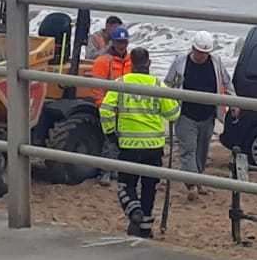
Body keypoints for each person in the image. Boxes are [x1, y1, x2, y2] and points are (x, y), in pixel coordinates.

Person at [98, 46, 180, 237]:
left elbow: (105, 110)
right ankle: (144, 228)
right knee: (149, 188)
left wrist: (110, 134)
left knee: (126, 184)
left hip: (128, 145)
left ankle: (134, 211)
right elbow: (173, 114)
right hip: (154, 146)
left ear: (131, 63)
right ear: (149, 63)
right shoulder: (158, 86)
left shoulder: (121, 83)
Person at [164, 31, 236, 197]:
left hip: (208, 115)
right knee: (188, 150)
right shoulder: (180, 62)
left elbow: (226, 82)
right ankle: (192, 185)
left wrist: (234, 102)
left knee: (201, 151)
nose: (202, 56)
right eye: (199, 52)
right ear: (192, 49)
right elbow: (168, 83)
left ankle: (198, 178)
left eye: (205, 53)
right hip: (185, 114)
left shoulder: (216, 63)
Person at [83, 24, 131, 102]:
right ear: (113, 42)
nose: (122, 46)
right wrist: (103, 107)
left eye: (124, 42)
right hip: (109, 104)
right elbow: (97, 91)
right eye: (119, 42)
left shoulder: (131, 60)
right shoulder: (102, 62)